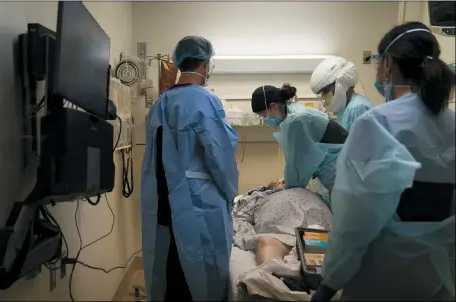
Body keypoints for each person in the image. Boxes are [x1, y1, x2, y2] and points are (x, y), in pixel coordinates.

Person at [312, 22, 455, 301]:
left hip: (384, 274)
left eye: (378, 62)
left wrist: (330, 282)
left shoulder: (379, 122)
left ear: (388, 63)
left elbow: (356, 221)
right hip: (439, 277)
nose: (377, 71)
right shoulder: (451, 125)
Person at [141, 35, 239, 301]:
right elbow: (220, 155)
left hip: (162, 207)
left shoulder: (160, 104)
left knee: (170, 272)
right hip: (199, 206)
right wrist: (232, 193)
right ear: (206, 64)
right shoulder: (204, 101)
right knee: (200, 275)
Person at [251, 84, 348, 195]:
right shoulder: (292, 115)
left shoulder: (296, 119)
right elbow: (300, 158)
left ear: (273, 106)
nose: (264, 119)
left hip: (344, 170)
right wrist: (287, 181)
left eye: (263, 115)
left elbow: (296, 164)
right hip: (339, 170)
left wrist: (286, 190)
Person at [233, 186, 332, 265]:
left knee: (317, 241)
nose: (284, 181)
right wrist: (249, 235)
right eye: (282, 181)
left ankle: (313, 273)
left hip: (316, 217)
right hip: (282, 223)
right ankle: (268, 281)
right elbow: (240, 219)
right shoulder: (259, 196)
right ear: (275, 185)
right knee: (268, 242)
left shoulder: (312, 193)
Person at [310, 56, 374, 131]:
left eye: (325, 91)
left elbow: (360, 142)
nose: (323, 96)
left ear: (340, 83)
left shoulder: (358, 108)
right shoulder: (345, 108)